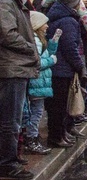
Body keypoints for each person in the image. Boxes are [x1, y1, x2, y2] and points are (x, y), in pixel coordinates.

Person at [0, 0, 40, 179]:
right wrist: (29, 49)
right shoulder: (4, 1)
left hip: (16, 66)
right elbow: (6, 33)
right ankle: (7, 163)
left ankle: (10, 158)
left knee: (13, 118)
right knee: (10, 120)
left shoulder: (15, 0)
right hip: (11, 67)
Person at [45, 0, 87, 148]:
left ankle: (61, 134)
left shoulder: (57, 17)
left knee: (58, 105)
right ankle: (56, 136)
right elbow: (71, 47)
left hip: (57, 67)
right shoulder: (68, 21)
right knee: (59, 106)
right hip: (62, 69)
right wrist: (80, 66)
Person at [24, 12, 60, 155]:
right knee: (36, 113)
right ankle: (31, 139)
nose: (47, 26)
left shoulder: (40, 39)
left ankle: (32, 137)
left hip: (40, 82)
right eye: (44, 23)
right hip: (37, 82)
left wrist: (54, 42)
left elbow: (47, 53)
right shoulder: (35, 41)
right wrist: (51, 61)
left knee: (35, 112)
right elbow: (37, 62)